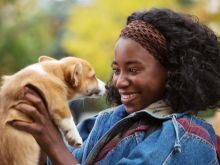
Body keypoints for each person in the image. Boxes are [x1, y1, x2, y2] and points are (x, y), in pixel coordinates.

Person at [10, 8, 220, 165]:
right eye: (117, 70)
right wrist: (36, 126)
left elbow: (59, 153)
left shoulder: (187, 138)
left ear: (172, 71)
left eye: (133, 70)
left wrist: (53, 144)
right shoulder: (106, 120)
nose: (119, 81)